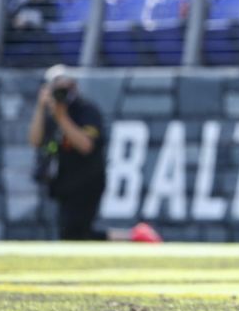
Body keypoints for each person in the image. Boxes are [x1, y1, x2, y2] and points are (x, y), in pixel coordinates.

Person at [27, 66, 161, 243]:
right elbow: (35, 141)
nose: (62, 94)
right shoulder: (51, 112)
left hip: (87, 181)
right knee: (76, 235)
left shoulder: (86, 110)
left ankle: (134, 237)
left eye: (65, 88)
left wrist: (62, 118)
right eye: (57, 89)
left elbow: (85, 145)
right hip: (63, 181)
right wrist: (40, 107)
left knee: (74, 234)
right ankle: (134, 237)